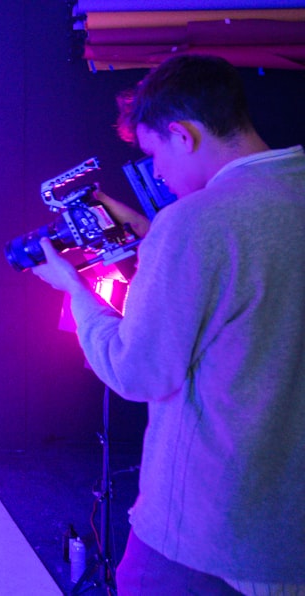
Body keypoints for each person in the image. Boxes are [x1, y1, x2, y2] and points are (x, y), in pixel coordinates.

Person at [30, 54, 305, 594]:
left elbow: (138, 372)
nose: (156, 173)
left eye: (154, 153)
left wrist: (75, 290)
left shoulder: (195, 222)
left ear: (183, 134)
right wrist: (155, 233)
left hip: (205, 531)